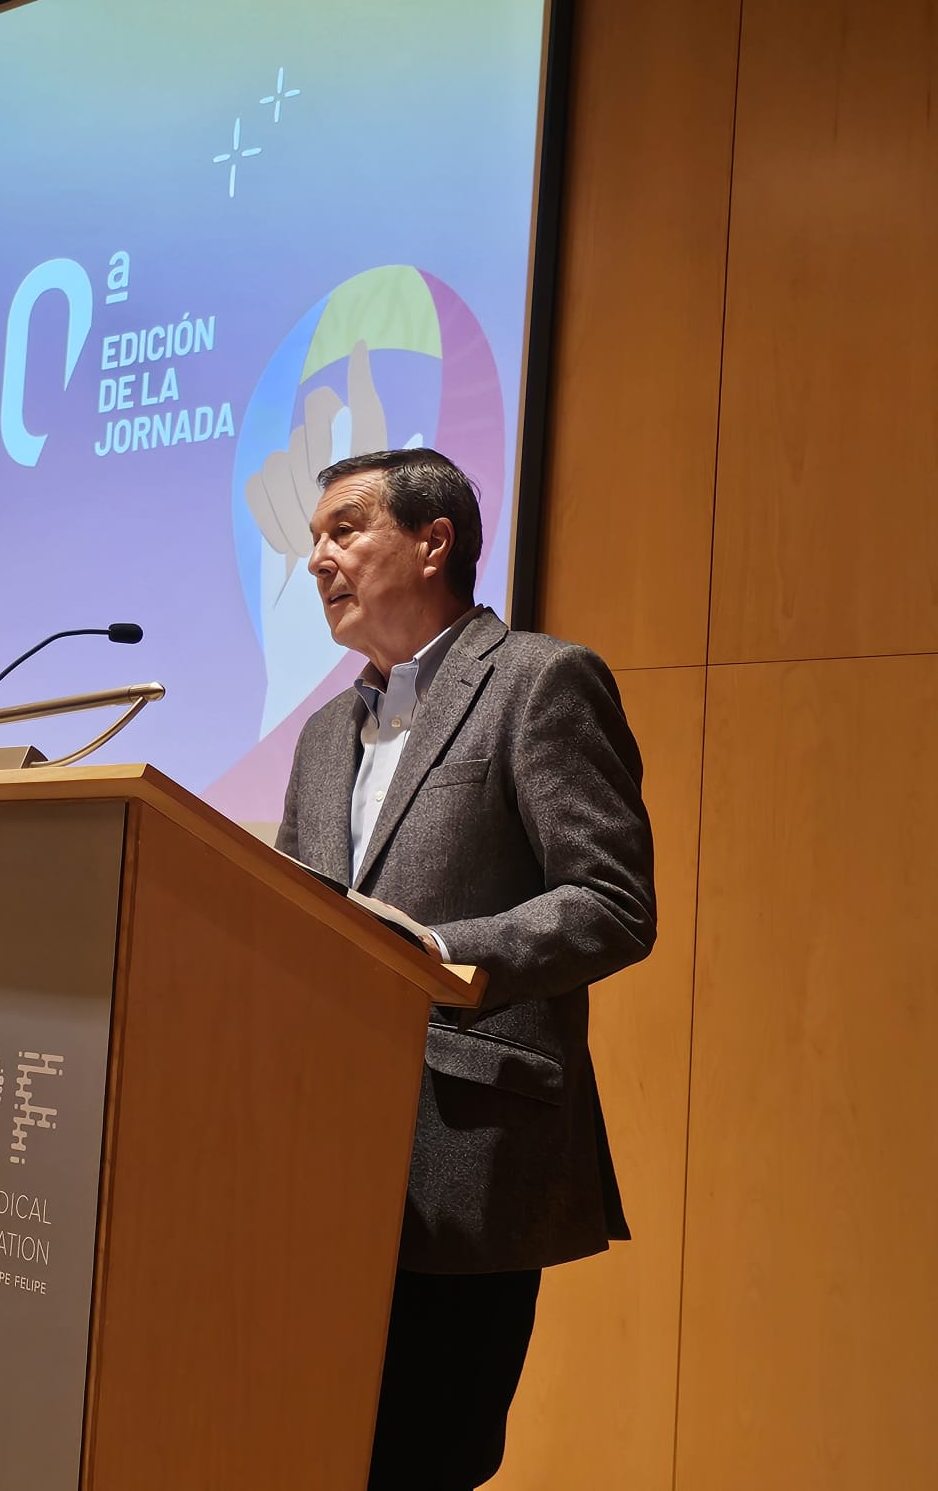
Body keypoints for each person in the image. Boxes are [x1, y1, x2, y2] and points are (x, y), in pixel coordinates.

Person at [272, 447, 656, 1490]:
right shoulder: (323, 734)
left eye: (344, 529)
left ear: (433, 542)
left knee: (423, 1460)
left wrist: (442, 951)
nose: (317, 560)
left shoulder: (536, 682)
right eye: (313, 539)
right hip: (318, 1149)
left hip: (465, 1148)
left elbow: (611, 901)